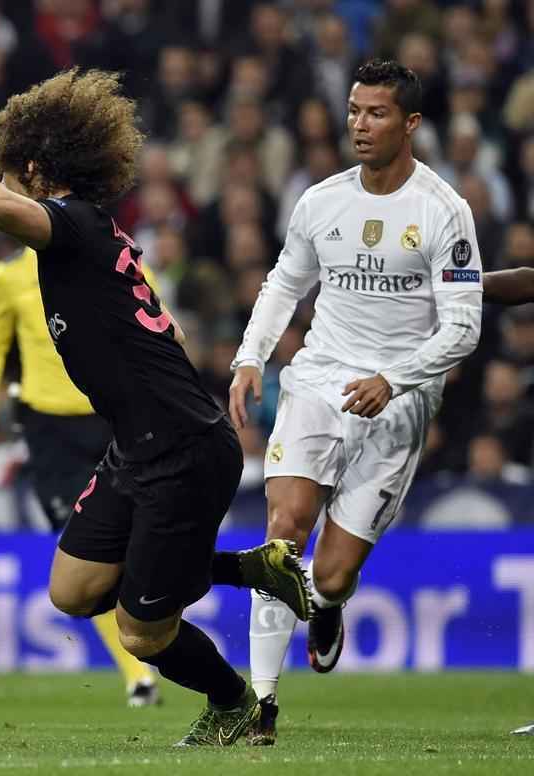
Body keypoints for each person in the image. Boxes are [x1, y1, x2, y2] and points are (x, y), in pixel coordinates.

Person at [0, 69, 313, 747]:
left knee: (142, 632)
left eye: (13, 171)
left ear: (33, 167)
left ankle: (236, 704)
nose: (9, 183)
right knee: (75, 591)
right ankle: (251, 568)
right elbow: (165, 331)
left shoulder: (72, 225)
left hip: (181, 449)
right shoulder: (99, 237)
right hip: (138, 444)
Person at [228, 60, 483, 746]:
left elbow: (464, 325)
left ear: (411, 124)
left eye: (375, 114)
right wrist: (251, 358)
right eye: (353, 111)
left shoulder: (443, 212)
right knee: (283, 530)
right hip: (317, 380)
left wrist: (396, 379)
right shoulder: (321, 201)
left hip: (398, 403)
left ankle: (328, 606)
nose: (359, 125)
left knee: (333, 574)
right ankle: (260, 704)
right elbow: (285, 285)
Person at [0, 244, 162, 708]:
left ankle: (152, 641)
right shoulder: (5, 277)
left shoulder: (109, 252)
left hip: (115, 415)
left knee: (139, 541)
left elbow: (154, 319)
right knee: (84, 550)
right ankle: (138, 674)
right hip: (50, 430)